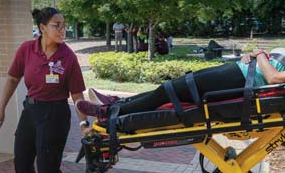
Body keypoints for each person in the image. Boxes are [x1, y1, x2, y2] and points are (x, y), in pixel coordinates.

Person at [0, 7, 96, 173]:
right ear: (42, 28)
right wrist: (0, 110)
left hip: (55, 115)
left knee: (48, 171)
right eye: (56, 25)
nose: (62, 29)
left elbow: (78, 96)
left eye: (64, 24)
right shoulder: (27, 50)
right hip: (31, 111)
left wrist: (84, 125)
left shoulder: (67, 57)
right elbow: (12, 78)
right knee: (22, 159)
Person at [75, 48, 285, 120]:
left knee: (169, 91)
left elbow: (273, 78)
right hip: (238, 73)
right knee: (168, 89)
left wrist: (260, 55)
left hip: (237, 80)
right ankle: (118, 103)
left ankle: (110, 111)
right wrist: (254, 56)